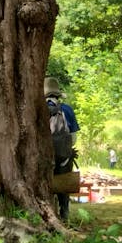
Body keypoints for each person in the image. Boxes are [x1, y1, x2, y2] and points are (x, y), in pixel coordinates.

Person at [45, 77, 79, 222]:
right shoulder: (67, 110)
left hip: (43, 158)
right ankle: (64, 213)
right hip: (64, 159)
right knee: (64, 185)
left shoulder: (37, 109)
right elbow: (73, 138)